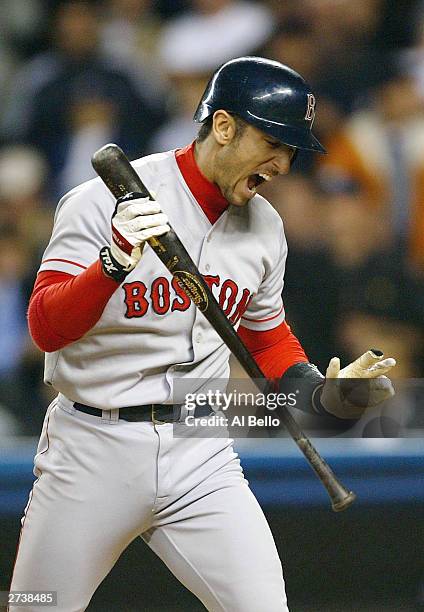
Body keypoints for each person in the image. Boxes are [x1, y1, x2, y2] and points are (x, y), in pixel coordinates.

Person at [10, 57, 396, 612]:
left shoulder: (265, 227)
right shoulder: (101, 201)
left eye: (291, 150)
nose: (283, 164)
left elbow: (266, 337)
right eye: (273, 142)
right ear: (222, 126)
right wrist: (111, 263)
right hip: (93, 448)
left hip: (202, 449)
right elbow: (46, 326)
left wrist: (312, 390)